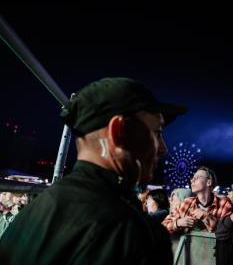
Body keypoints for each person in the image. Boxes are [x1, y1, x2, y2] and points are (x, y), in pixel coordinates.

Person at [0, 77, 186, 265]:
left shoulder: (30, 214)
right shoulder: (135, 236)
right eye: (156, 133)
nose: (163, 148)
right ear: (119, 131)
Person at [162, 166, 233, 233]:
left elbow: (227, 230)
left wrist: (206, 216)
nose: (192, 180)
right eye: (192, 178)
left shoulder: (223, 203)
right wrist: (178, 223)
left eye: (197, 177)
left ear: (209, 182)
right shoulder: (187, 202)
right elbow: (164, 225)